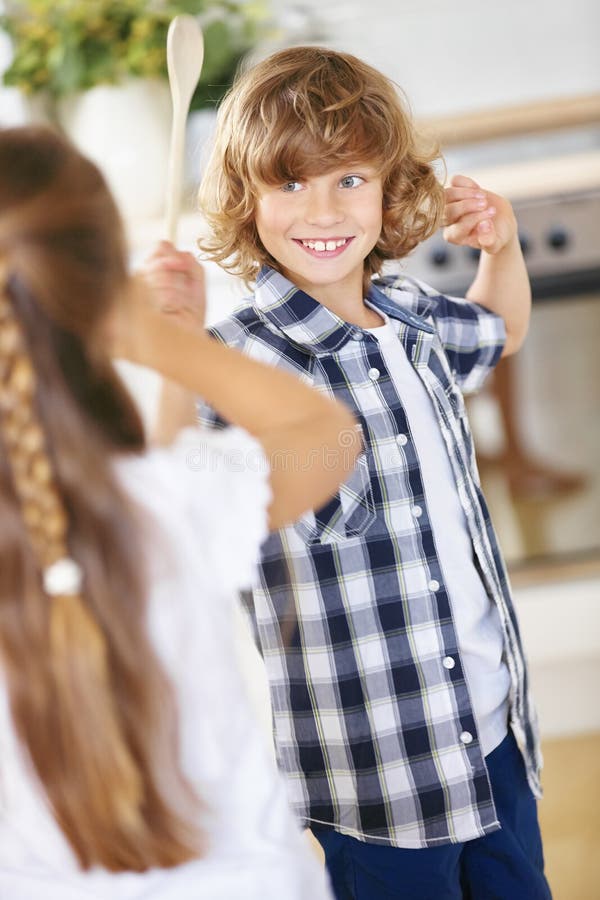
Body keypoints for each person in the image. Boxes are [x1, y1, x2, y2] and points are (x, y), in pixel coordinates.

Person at [149, 47, 552, 899]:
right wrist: (166, 350)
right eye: (288, 184)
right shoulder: (233, 365)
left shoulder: (409, 317)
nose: (320, 209)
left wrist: (503, 249)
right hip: (374, 775)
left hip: (494, 731)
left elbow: (499, 333)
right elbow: (167, 487)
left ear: (388, 190)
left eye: (348, 180)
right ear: (244, 199)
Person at [0, 125, 364, 898]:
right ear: (100, 286)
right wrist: (162, 343)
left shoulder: (161, 502)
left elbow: (172, 480)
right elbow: (324, 437)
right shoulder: (164, 509)